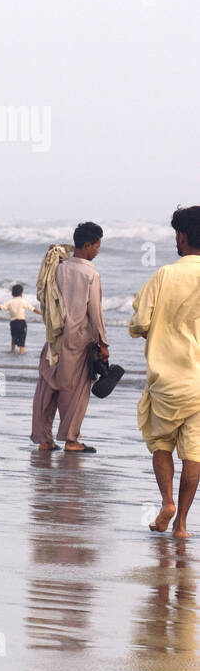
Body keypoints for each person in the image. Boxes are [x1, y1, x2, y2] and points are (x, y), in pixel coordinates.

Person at [130, 206, 200, 538]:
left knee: (161, 444)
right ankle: (183, 524)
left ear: (182, 237)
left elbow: (141, 322)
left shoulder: (164, 275)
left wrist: (148, 329)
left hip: (165, 382)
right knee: (195, 453)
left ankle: (167, 503)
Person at [31, 222, 108, 453]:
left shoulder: (57, 267)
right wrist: (103, 342)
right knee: (76, 390)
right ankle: (71, 439)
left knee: (48, 385)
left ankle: (44, 439)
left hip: (54, 335)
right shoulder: (91, 274)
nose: (97, 250)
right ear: (87, 245)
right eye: (96, 246)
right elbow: (95, 311)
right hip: (79, 338)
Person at [0, 283, 40, 355]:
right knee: (22, 339)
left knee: (13, 337)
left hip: (13, 323)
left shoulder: (10, 302)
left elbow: (2, 308)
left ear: (12, 293)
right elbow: (33, 309)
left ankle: (13, 350)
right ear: (21, 293)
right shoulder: (23, 301)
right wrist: (41, 313)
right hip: (22, 323)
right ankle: (21, 352)